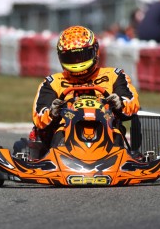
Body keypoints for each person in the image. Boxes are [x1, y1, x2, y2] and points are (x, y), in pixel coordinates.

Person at [30, 25, 140, 156]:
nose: (78, 62)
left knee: (116, 134)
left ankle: (119, 160)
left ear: (95, 51)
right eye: (71, 58)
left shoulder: (114, 75)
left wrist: (120, 103)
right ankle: (57, 162)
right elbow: (39, 116)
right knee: (57, 134)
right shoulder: (53, 82)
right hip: (65, 134)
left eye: (82, 55)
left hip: (107, 130)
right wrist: (53, 112)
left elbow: (132, 102)